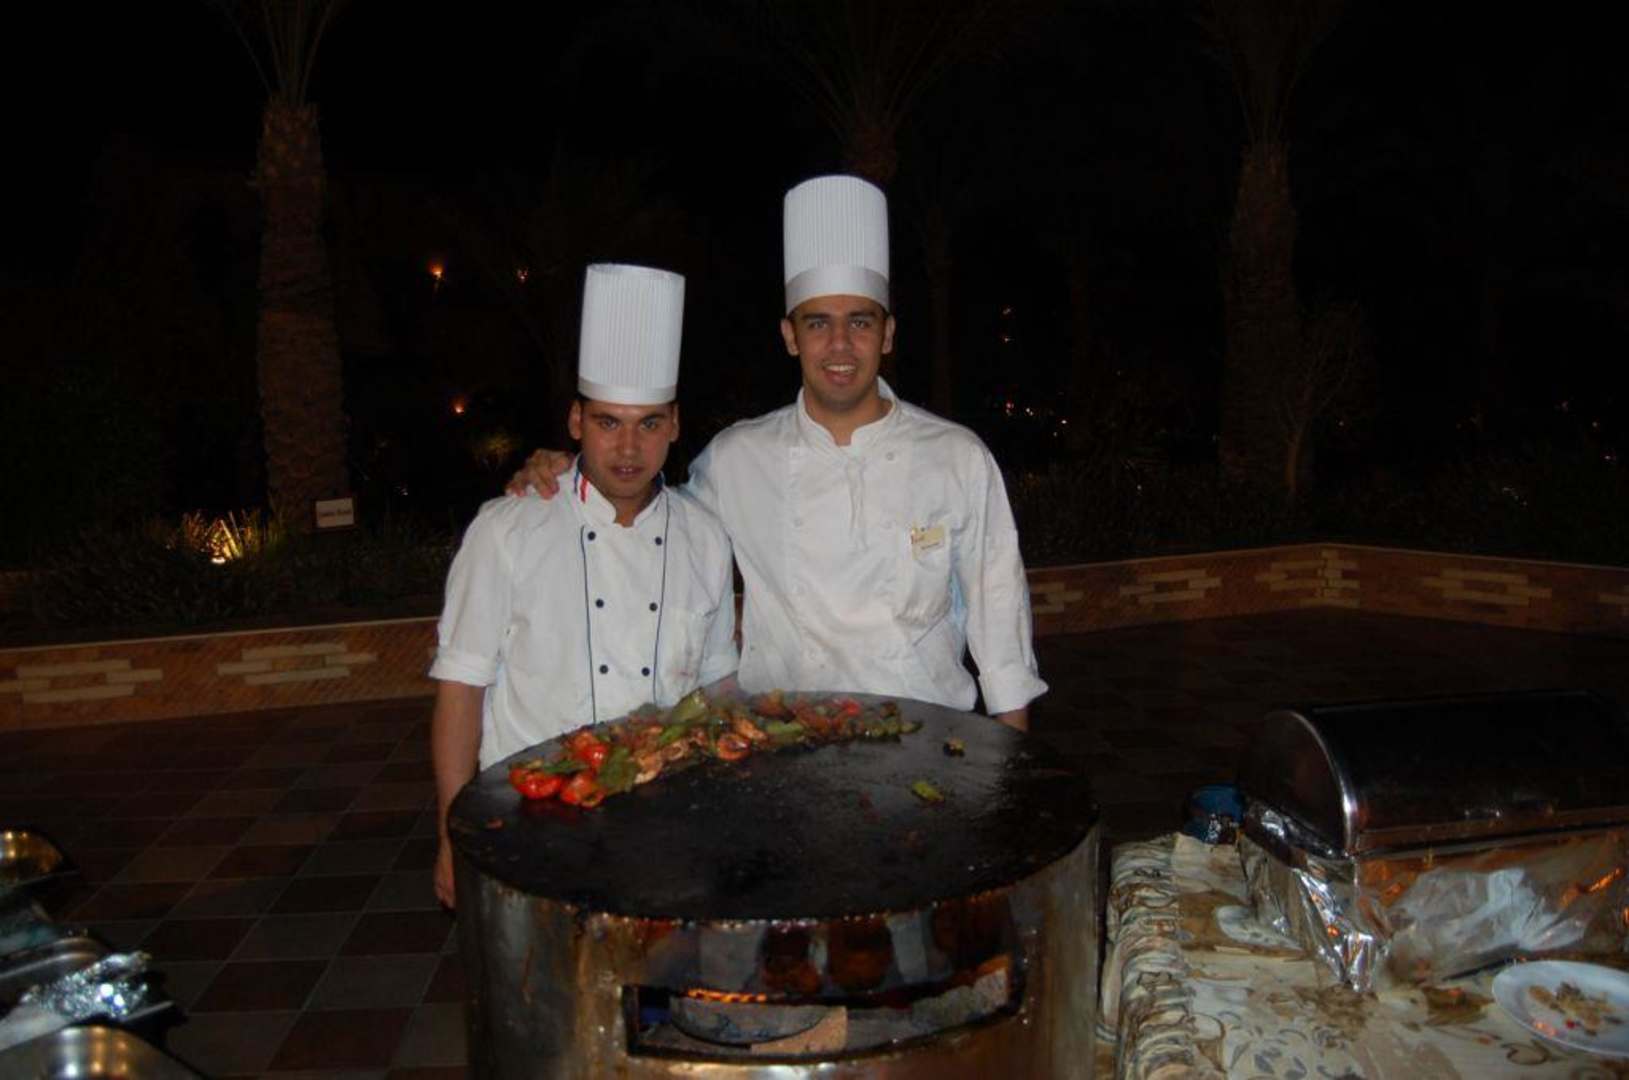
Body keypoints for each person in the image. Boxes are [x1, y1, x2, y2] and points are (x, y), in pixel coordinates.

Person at [510, 175, 1045, 730]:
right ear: (791, 336)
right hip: (785, 748)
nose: (840, 345)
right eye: (818, 323)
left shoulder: (957, 457)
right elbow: (649, 518)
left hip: (928, 740)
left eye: (860, 322)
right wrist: (572, 468)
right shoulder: (737, 459)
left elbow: (999, 622)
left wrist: (1011, 764)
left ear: (887, 334)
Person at [431, 263, 737, 908]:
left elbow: (717, 689)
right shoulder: (507, 529)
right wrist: (451, 834)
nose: (628, 447)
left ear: (675, 424)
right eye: (607, 422)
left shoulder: (706, 537)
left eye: (648, 423)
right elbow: (461, 690)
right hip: (531, 819)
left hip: (667, 821)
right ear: (575, 421)